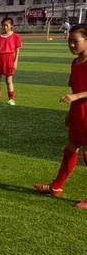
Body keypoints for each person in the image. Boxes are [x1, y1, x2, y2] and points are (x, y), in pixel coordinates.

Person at [35, 24, 87, 208]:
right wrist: (70, 113)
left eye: (76, 41)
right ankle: (56, 187)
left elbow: (77, 93)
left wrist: (76, 97)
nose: (71, 45)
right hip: (78, 112)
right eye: (69, 41)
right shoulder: (75, 63)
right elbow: (75, 88)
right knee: (71, 148)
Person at [0, 17, 22, 105]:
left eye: (6, 25)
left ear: (11, 26)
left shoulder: (15, 36)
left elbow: (17, 50)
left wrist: (15, 62)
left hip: (9, 60)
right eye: (3, 25)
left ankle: (11, 99)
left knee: (9, 81)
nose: (4, 27)